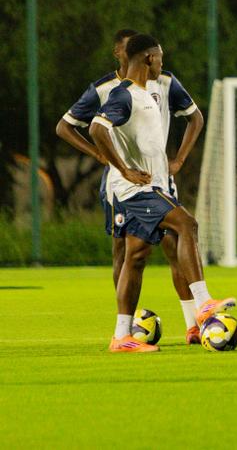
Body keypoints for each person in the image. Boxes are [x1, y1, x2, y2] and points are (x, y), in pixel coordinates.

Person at [57, 28, 206, 344]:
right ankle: (203, 309)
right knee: (165, 235)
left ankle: (144, 331)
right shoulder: (113, 90)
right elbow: (73, 127)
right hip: (130, 187)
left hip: (157, 182)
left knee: (144, 252)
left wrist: (176, 161)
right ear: (122, 54)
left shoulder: (162, 84)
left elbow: (195, 118)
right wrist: (109, 159)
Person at [90, 34, 234, 352]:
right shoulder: (125, 94)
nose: (162, 63)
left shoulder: (144, 93)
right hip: (134, 190)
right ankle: (204, 303)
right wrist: (123, 168)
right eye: (160, 57)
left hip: (147, 186)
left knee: (136, 257)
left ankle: (121, 336)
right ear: (148, 59)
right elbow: (97, 129)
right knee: (187, 224)